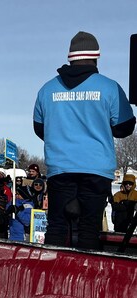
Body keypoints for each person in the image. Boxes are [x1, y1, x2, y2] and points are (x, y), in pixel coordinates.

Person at [33, 31, 135, 249]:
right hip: (96, 169)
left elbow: (40, 129)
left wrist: (62, 137)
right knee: (90, 229)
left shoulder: (47, 89)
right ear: (96, 57)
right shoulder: (109, 87)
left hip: (60, 169)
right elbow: (124, 128)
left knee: (57, 228)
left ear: (70, 57)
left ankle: (53, 275)